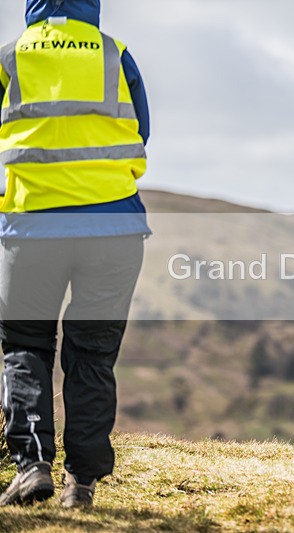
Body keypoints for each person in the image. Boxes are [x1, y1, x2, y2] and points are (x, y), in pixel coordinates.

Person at [0, 0, 150, 508]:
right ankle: (81, 483)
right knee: (92, 354)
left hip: (32, 226)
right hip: (114, 228)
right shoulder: (117, 55)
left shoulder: (10, 58)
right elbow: (141, 132)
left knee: (25, 344)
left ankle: (32, 464)